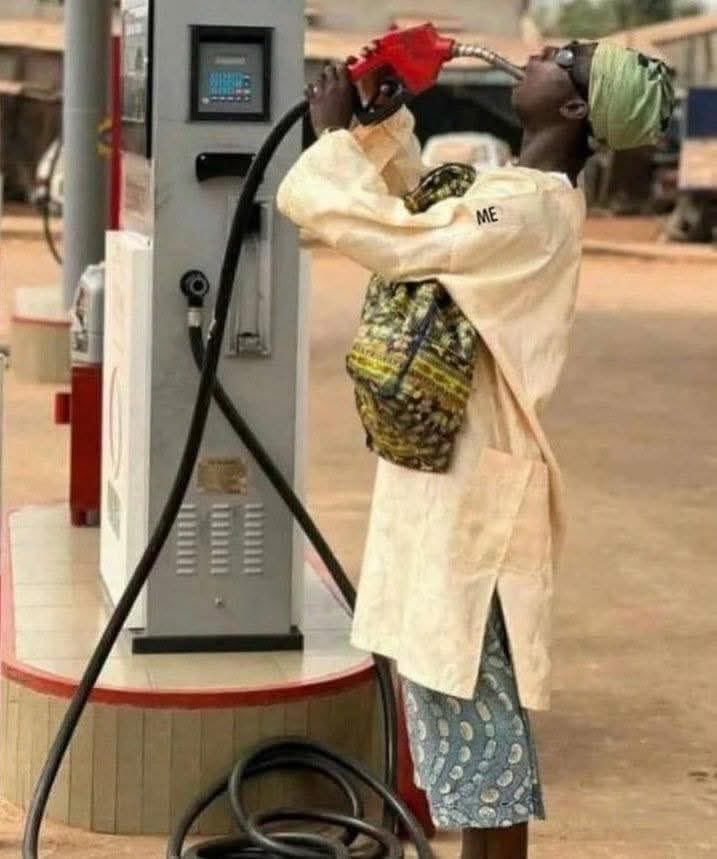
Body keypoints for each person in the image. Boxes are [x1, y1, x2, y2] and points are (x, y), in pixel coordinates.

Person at [277, 40, 674, 859]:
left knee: (476, 725)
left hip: (474, 497)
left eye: (563, 57)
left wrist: (333, 141)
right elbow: (430, 210)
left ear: (573, 108)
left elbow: (402, 238)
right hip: (447, 480)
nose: (539, 53)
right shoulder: (510, 195)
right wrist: (381, 127)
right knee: (453, 709)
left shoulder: (528, 212)